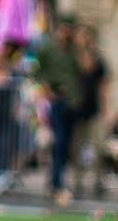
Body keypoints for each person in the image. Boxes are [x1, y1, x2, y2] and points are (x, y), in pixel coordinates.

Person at [34, 14, 84, 206]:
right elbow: (36, 70)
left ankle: (57, 180)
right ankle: (56, 182)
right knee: (59, 141)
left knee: (68, 145)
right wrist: (47, 91)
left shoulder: (74, 49)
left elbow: (86, 69)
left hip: (73, 101)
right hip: (56, 101)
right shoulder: (47, 47)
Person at [72, 24, 110, 197]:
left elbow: (104, 85)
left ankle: (98, 181)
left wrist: (105, 107)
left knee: (98, 147)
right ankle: (77, 182)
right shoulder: (73, 59)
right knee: (77, 148)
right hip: (77, 109)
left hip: (94, 108)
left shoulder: (99, 60)